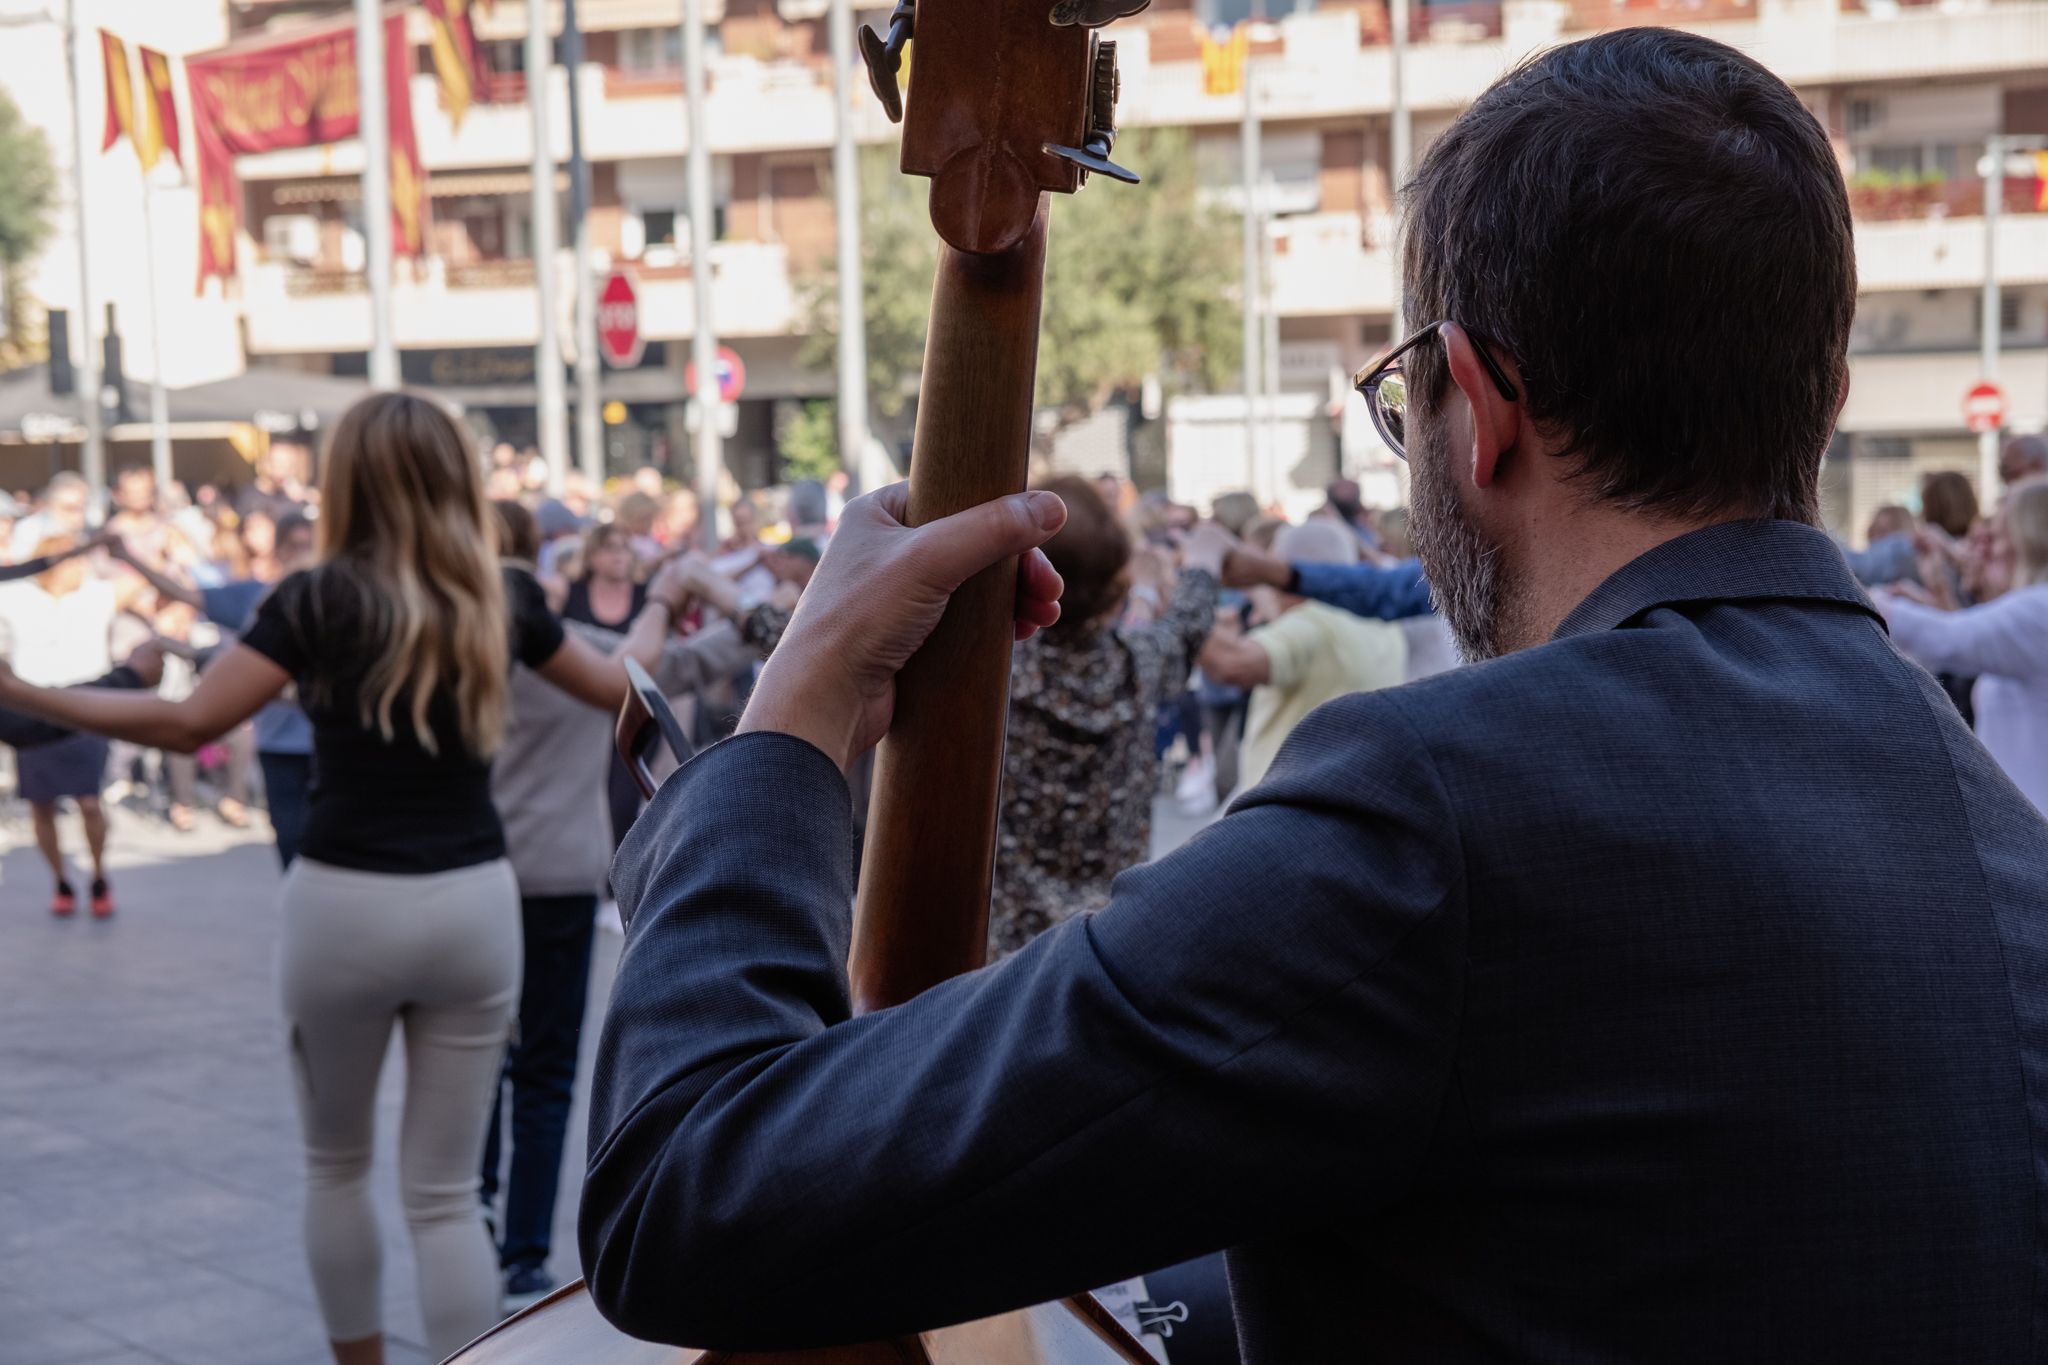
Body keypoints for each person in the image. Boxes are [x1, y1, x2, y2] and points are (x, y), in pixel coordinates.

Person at [579, 31, 2048, 1361]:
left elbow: (694, 1198)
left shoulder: (1442, 819)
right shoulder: (1999, 834)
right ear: (1823, 400)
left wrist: (791, 723)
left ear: (1479, 405)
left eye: (1406, 398)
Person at [0, 393, 684, 1365]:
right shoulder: (503, 597)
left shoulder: (312, 600)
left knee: (335, 1167)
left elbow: (189, 722)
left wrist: (21, 694)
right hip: (473, 903)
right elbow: (628, 688)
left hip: (343, 904)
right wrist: (660, 605)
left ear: (342, 481)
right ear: (455, 478)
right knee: (447, 1193)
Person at [481, 500, 763, 1309]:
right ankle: (523, 1257)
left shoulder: (446, 644)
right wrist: (687, 597)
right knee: (545, 1070)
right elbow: (670, 664)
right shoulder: (578, 650)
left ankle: (471, 1209)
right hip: (560, 873)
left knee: (476, 1066)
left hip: (466, 870)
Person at [988, 477, 1222, 957]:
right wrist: (1197, 567)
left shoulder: (988, 676)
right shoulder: (1137, 665)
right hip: (1104, 945)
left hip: (997, 952)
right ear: (1114, 582)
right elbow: (1186, 627)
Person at [112, 512, 320, 863]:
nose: (303, 555)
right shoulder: (259, 597)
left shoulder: (335, 599)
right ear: (280, 551)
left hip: (323, 743)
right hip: (279, 743)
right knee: (290, 837)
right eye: (295, 546)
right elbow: (182, 594)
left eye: (309, 546)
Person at [1196, 519, 1407, 794]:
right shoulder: (1381, 622)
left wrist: (1192, 579)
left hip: (1289, 807)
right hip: (1353, 795)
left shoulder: (1311, 624)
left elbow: (1229, 665)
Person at [0, 538, 153, 917]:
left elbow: (140, 581)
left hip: (86, 713)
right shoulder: (17, 596)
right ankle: (61, 880)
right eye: (72, 561)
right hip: (33, 714)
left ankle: (99, 874)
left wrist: (124, 544)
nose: (80, 568)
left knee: (89, 800)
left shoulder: (95, 596)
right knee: (42, 806)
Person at [1879, 478, 2048, 815]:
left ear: (2027, 540)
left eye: (1997, 536)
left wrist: (1858, 596)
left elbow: (1949, 640)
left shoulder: (2039, 608)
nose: (1986, 549)